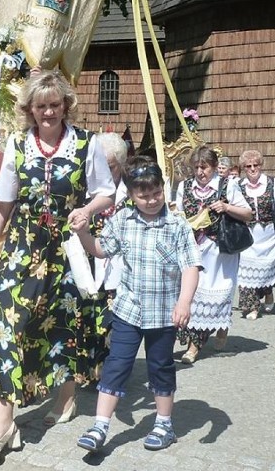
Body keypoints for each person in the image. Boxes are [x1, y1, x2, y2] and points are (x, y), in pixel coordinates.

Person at [0, 70, 115, 459]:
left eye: (55, 105)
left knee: (66, 325)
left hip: (69, 250)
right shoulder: (18, 144)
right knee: (9, 329)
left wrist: (86, 209)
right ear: (29, 109)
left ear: (66, 105)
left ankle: (66, 398)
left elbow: (106, 192)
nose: (49, 112)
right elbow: (2, 204)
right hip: (24, 250)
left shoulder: (86, 144)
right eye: (41, 106)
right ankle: (3, 423)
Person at [72, 158, 201, 453]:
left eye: (156, 192)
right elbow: (101, 251)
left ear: (162, 189)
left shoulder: (177, 224)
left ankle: (164, 424)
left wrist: (184, 302)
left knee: (161, 367)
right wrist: (83, 232)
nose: (151, 200)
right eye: (143, 195)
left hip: (164, 313)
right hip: (128, 310)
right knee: (116, 365)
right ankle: (100, 425)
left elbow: (191, 266)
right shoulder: (122, 220)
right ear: (131, 195)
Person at [175, 146, 252, 363]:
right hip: (193, 249)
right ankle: (200, 337)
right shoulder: (185, 186)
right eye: (196, 167)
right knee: (194, 294)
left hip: (220, 251)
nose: (200, 172)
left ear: (214, 167)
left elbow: (248, 213)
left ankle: (196, 345)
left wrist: (226, 206)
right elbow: (178, 213)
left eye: (204, 167)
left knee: (217, 293)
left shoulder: (228, 185)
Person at [82, 132, 130, 380]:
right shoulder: (86, 188)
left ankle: (109, 369)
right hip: (88, 262)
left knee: (111, 318)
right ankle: (88, 367)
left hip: (119, 267)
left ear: (120, 165)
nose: (101, 169)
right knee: (88, 315)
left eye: (108, 166)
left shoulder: (131, 193)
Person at [237, 151, 275, 319]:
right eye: (248, 166)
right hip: (247, 234)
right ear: (244, 168)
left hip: (269, 235)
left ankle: (268, 291)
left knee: (264, 269)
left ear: (261, 165)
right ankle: (252, 306)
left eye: (256, 165)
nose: (252, 169)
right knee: (245, 270)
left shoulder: (272, 183)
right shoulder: (238, 185)